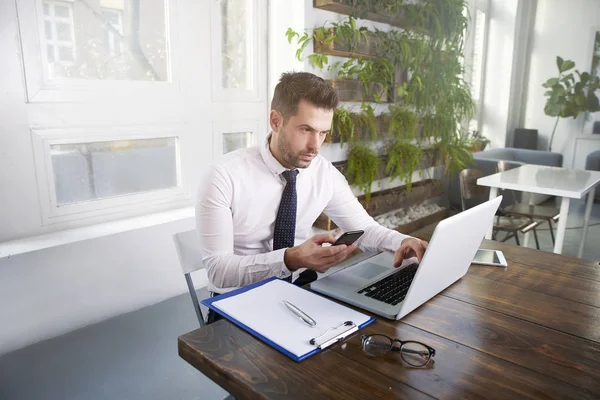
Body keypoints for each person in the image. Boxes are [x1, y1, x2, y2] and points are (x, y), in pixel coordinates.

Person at [196, 71, 428, 323]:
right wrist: (291, 259)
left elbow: (365, 229)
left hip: (300, 292)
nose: (315, 146)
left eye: (323, 133)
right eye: (306, 129)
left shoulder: (323, 173)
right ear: (275, 121)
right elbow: (218, 272)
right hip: (237, 302)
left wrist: (403, 241)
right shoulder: (223, 176)